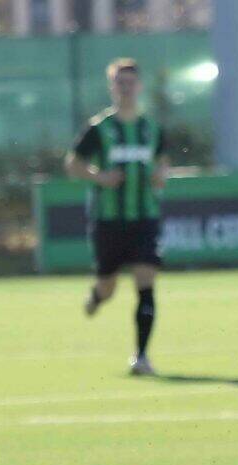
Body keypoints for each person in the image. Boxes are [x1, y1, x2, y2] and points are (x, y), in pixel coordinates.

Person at [65, 58, 169, 376]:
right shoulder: (100, 128)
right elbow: (72, 164)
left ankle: (141, 356)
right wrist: (100, 177)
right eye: (119, 83)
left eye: (130, 82)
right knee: (109, 287)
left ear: (139, 87)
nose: (125, 88)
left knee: (145, 281)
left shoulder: (151, 127)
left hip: (144, 218)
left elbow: (163, 161)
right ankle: (97, 296)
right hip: (109, 219)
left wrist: (160, 174)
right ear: (112, 87)